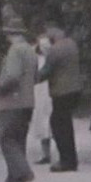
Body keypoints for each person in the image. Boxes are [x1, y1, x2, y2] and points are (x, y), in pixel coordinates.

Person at [0, 21, 40, 182]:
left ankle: (23, 172)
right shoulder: (30, 51)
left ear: (10, 34)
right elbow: (36, 77)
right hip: (28, 102)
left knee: (7, 139)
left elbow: (12, 76)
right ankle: (13, 179)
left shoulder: (15, 50)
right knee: (19, 140)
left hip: (12, 102)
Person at [41, 23, 84, 172]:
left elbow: (46, 71)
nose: (48, 39)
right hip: (75, 90)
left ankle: (66, 161)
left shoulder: (55, 50)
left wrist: (29, 79)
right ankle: (71, 160)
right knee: (66, 124)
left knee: (58, 125)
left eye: (49, 36)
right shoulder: (72, 44)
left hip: (62, 92)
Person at [31, 33, 54, 166]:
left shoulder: (51, 60)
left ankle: (49, 153)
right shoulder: (36, 58)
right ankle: (45, 153)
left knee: (49, 122)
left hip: (48, 92)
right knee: (41, 121)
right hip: (39, 92)